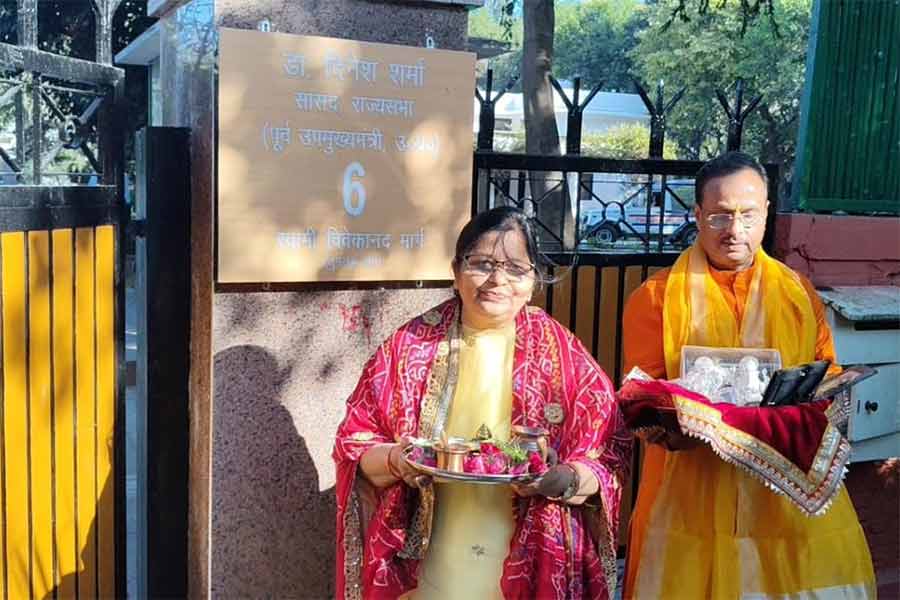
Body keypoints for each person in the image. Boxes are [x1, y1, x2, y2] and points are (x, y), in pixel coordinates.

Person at [333, 206, 630, 600]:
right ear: (456, 272)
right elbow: (354, 445)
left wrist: (568, 479)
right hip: (431, 556)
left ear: (534, 279)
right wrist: (396, 460)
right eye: (482, 264)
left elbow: (609, 454)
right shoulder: (406, 350)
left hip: (532, 553)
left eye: (515, 268)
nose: (497, 280)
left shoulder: (567, 358)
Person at [621, 152, 876, 598]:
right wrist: (682, 425)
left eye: (747, 214)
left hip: (785, 488)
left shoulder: (798, 293)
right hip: (690, 490)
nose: (734, 231)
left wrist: (819, 406)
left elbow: (825, 378)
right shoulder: (656, 298)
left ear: (766, 215)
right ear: (697, 215)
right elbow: (643, 398)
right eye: (719, 216)